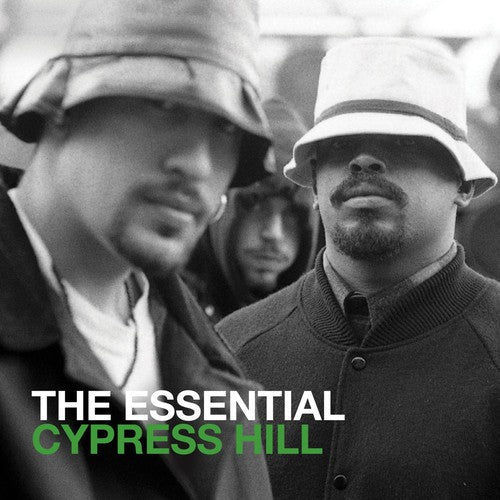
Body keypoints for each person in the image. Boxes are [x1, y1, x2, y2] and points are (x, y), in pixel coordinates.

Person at [0, 0, 274, 498]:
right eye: (163, 106)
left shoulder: (212, 370)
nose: (198, 164)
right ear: (62, 105)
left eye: (226, 128)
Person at [217, 37, 500, 498]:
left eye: (402, 141)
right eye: (339, 144)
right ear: (312, 181)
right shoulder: (230, 352)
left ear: (464, 183)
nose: (363, 160)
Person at [183, 97, 319, 324]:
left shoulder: (320, 321)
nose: (273, 233)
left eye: (292, 216)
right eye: (256, 206)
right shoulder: (168, 308)